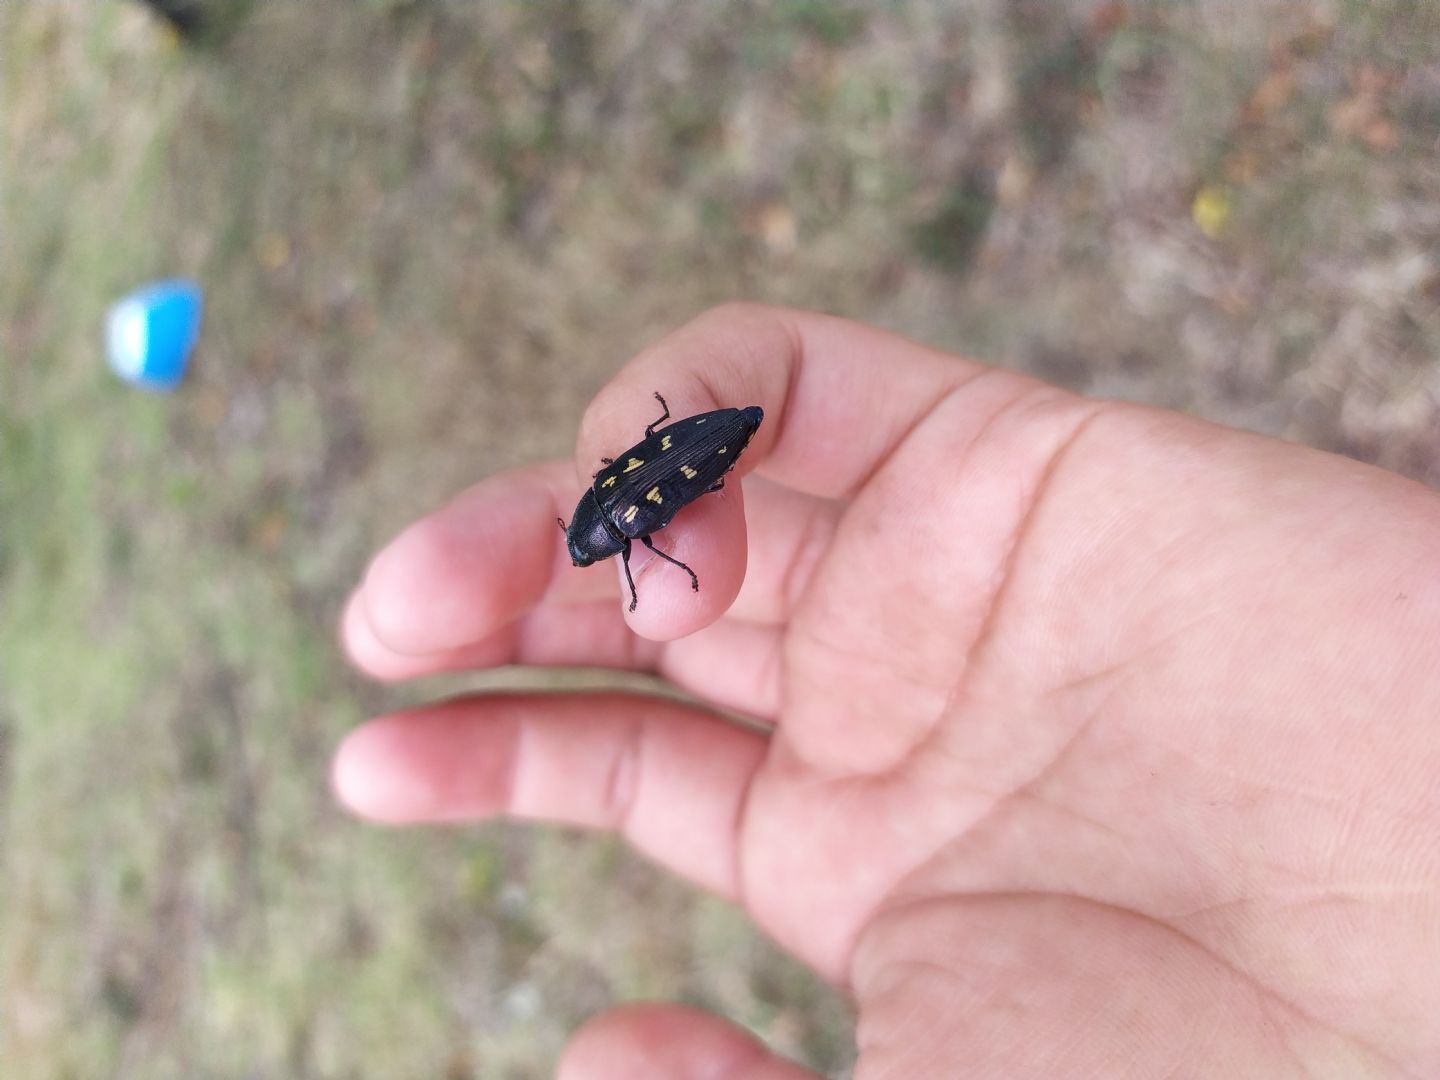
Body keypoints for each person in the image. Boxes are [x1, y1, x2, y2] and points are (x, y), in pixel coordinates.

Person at [332, 304, 1440, 1079]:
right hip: (693, 456)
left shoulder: (622, 525)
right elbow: (641, 493)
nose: (605, 546)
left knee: (665, 535)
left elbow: (644, 497)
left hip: (698, 454)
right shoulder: (620, 518)